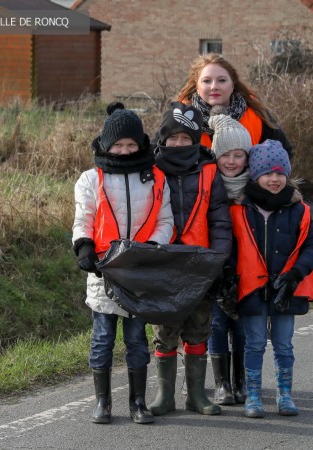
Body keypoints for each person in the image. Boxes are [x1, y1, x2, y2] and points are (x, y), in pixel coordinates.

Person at [72, 102, 174, 425]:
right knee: (102, 338)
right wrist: (84, 246)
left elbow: (165, 220)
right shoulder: (91, 179)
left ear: (141, 144)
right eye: (119, 144)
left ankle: (138, 402)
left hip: (138, 272)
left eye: (131, 144)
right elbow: (84, 217)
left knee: (136, 339)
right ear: (106, 144)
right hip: (103, 272)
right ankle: (102, 402)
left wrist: (153, 249)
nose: (126, 150)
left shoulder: (155, 178)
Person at [148, 101, 232, 416]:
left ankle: (196, 395)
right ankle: (164, 396)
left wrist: (220, 258)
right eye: (174, 138)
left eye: (187, 139)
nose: (180, 144)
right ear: (163, 138)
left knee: (198, 328)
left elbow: (220, 220)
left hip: (200, 264)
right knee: (165, 329)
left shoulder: (210, 171)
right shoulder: (151, 169)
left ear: (197, 140)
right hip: (164, 262)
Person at [230, 139, 313, 419]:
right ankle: (254, 395)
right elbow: (232, 248)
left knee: (284, 344)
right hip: (252, 288)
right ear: (255, 174)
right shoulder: (240, 208)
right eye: (268, 173)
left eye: (281, 173)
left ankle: (285, 394)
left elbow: (311, 246)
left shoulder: (300, 209)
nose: (275, 179)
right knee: (254, 343)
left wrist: (295, 274)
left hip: (286, 289)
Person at [206, 107, 252, 405]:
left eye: (238, 155)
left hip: (248, 271)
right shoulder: (210, 185)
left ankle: (241, 380)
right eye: (225, 155)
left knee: (243, 327)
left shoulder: (257, 188)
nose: (232, 161)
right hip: (216, 269)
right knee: (217, 324)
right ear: (216, 155)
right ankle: (221, 383)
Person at [176, 53, 293, 159]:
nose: (214, 87)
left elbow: (284, 152)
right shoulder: (181, 116)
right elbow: (160, 154)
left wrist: (259, 176)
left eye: (222, 80)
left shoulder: (255, 113)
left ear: (233, 85)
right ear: (197, 86)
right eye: (206, 81)